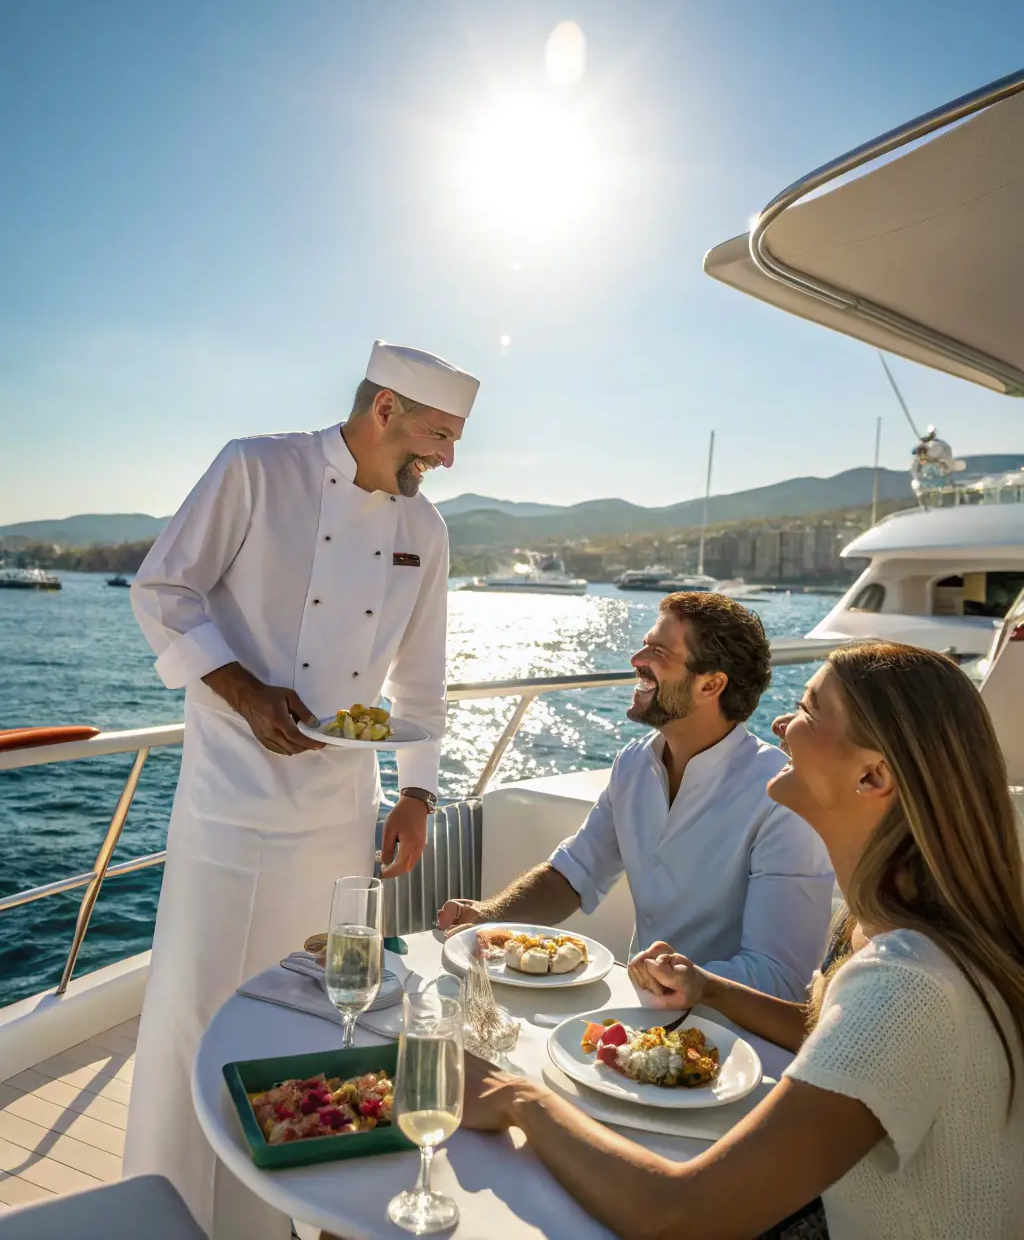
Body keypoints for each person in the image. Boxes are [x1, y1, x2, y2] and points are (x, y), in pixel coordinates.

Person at [462, 643, 1024, 1240]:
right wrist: (712, 990)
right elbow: (832, 1033)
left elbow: (682, 1217)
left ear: (873, 775)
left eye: (807, 710)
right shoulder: (891, 923)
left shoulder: (906, 980)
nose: (780, 721)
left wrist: (514, 1098)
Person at [123, 340, 478, 1235]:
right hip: (230, 803)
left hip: (337, 812)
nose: (445, 458)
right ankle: (171, 1211)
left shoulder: (426, 530)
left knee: (317, 1018)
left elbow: (421, 684)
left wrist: (417, 796)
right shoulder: (256, 467)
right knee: (197, 1014)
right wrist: (242, 690)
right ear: (385, 407)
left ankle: (275, 1214)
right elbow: (164, 589)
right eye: (437, 434)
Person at [440, 592, 834, 999]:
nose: (636, 659)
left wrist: (685, 985)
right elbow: (573, 875)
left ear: (711, 684)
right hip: (642, 1010)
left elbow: (780, 977)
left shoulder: (780, 796)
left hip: (732, 1035)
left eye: (658, 651)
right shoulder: (633, 763)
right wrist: (488, 918)